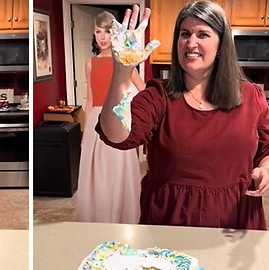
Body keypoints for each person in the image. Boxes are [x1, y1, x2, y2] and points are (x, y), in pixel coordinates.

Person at [98, 1, 269, 230]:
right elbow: (116, 135)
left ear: (221, 46)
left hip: (235, 222)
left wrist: (265, 168)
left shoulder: (251, 96)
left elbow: (267, 148)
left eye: (203, 34)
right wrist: (122, 71)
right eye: (185, 33)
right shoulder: (158, 96)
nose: (191, 42)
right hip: (170, 222)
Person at [76, 11, 145, 223]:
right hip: (95, 123)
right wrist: (85, 132)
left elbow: (143, 90)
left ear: (114, 33)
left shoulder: (123, 61)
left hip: (116, 121)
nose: (102, 36)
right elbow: (90, 100)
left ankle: (120, 217)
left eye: (107, 31)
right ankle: (98, 218)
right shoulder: (90, 63)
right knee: (96, 173)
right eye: (98, 31)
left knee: (117, 169)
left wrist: (129, 113)